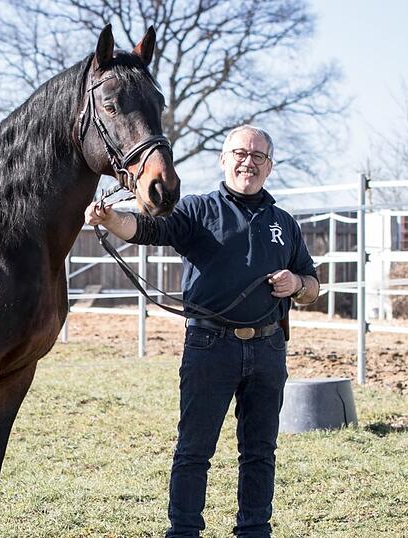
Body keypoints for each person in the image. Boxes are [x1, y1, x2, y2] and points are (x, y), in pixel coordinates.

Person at [85, 125, 319, 537]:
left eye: (258, 156)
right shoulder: (197, 210)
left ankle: (254, 530)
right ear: (224, 159)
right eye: (240, 154)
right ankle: (184, 530)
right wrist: (110, 219)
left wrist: (296, 285)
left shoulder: (284, 222)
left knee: (260, 452)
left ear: (269, 166)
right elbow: (147, 230)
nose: (248, 162)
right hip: (210, 347)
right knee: (194, 451)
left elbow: (313, 285)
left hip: (268, 350)